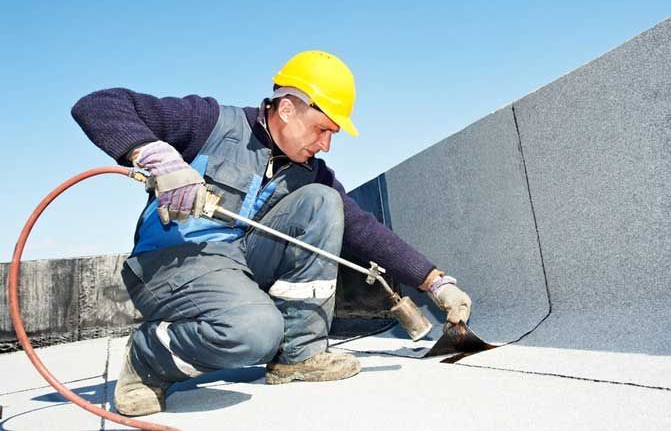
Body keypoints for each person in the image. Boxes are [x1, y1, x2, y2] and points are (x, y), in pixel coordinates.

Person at [71, 50, 472, 417]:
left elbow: (364, 230)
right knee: (255, 333)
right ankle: (147, 357)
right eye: (321, 129)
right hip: (173, 262)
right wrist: (158, 157)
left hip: (237, 263)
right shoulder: (210, 122)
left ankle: (298, 355)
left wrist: (436, 283)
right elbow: (98, 105)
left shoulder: (308, 171)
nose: (326, 145)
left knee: (323, 202)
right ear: (286, 109)